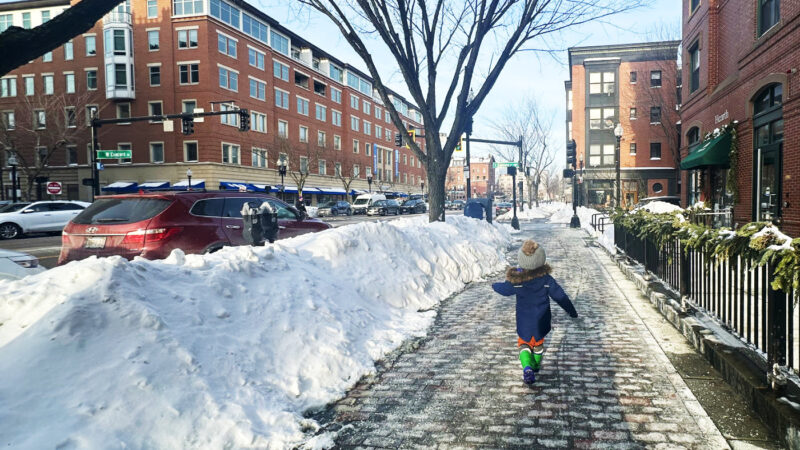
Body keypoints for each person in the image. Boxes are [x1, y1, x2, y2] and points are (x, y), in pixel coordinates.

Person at [492, 239, 577, 384]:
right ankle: (536, 365)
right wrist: (571, 311)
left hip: (524, 321)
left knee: (524, 344)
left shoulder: (518, 280)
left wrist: (494, 285)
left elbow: (505, 290)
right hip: (541, 321)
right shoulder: (546, 279)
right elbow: (560, 296)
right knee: (538, 344)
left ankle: (527, 368)